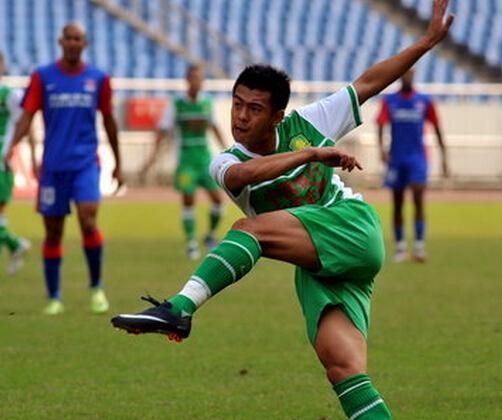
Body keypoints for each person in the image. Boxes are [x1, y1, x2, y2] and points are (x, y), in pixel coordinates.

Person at [111, 1, 454, 417]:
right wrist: (310, 154)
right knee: (343, 370)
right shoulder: (224, 161)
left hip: (352, 228)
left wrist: (426, 41)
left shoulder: (311, 121)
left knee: (247, 229)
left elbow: (369, 82)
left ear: (278, 116)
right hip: (320, 268)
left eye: (254, 109)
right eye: (237, 103)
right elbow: (244, 177)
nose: (240, 115)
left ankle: (179, 309)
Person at [4, 23, 123, 315]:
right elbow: (27, 116)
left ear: (85, 43)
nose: (72, 43)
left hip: (85, 164)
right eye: (68, 38)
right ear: (61, 41)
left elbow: (109, 121)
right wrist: (13, 145)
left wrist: (119, 164)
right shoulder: (43, 77)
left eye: (77, 39)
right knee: (53, 232)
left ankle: (96, 289)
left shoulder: (98, 79)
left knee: (88, 221)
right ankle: (54, 297)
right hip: (53, 168)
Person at [140, 65, 227, 260]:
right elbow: (163, 131)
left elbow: (215, 127)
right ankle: (191, 243)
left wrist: (228, 151)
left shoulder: (207, 102)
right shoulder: (177, 103)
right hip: (186, 158)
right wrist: (151, 159)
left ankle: (210, 235)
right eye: (193, 77)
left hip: (205, 158)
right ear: (188, 79)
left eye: (200, 78)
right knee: (189, 201)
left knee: (218, 201)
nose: (197, 81)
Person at [377, 68, 447, 262]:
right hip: (397, 159)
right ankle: (400, 248)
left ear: (415, 76)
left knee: (418, 199)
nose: (407, 76)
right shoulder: (389, 101)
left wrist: (444, 156)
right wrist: (381, 149)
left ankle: (418, 247)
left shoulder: (424, 101)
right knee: (397, 203)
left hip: (418, 159)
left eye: (411, 74)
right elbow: (380, 124)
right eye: (405, 73)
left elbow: (437, 127)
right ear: (400, 76)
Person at [0, 51, 33, 274]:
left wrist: (12, 148)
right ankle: (15, 245)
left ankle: (15, 244)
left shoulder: (10, 94)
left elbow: (26, 120)